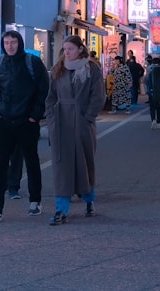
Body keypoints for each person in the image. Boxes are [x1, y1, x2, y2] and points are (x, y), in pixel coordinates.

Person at [0, 31, 50, 223]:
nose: (10, 46)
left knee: (32, 162)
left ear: (19, 43)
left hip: (27, 122)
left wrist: (35, 116)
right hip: (4, 123)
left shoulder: (32, 62)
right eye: (7, 42)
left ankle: (35, 201)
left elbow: (44, 89)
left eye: (13, 42)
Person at [46, 35, 105, 225]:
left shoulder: (91, 68)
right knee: (61, 165)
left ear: (80, 49)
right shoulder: (58, 69)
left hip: (82, 122)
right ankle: (60, 208)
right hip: (61, 121)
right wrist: (52, 118)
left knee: (85, 162)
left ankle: (89, 201)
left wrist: (88, 117)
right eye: (65, 49)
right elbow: (51, 97)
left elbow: (98, 95)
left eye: (70, 49)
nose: (67, 53)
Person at [144, 56, 160, 129]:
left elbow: (145, 80)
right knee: (159, 107)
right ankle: (159, 122)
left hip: (151, 92)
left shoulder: (150, 70)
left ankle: (153, 120)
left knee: (152, 107)